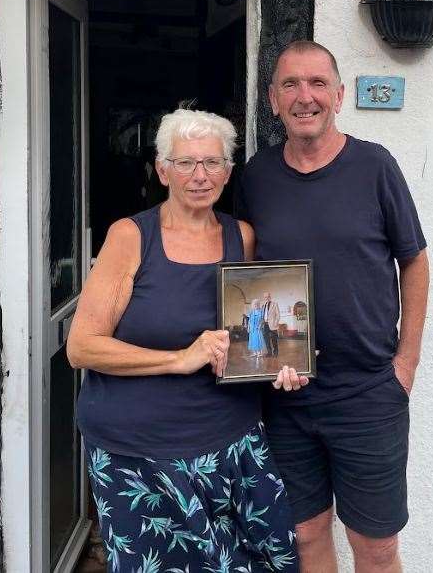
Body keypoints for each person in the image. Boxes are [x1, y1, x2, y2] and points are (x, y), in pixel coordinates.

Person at [68, 107, 307, 573]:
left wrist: (280, 362)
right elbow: (82, 347)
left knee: (261, 560)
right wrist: (180, 358)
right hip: (138, 455)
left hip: (232, 445)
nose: (200, 175)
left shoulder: (243, 237)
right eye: (185, 163)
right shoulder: (131, 237)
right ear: (162, 170)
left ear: (228, 171)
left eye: (212, 163)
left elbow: (255, 332)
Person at [237, 41, 430, 572]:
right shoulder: (256, 178)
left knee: (376, 546)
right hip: (287, 397)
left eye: (318, 83)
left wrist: (405, 363)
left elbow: (414, 262)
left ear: (339, 95)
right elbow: (250, 278)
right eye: (291, 85)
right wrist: (260, 360)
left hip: (368, 393)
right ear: (272, 99)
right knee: (304, 536)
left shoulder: (374, 166)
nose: (305, 96)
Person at [247, 298, 266, 363]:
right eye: (254, 304)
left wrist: (260, 326)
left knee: (258, 340)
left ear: (258, 304)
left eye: (256, 304)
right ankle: (254, 352)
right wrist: (248, 327)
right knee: (252, 340)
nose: (255, 305)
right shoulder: (252, 311)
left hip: (257, 328)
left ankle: (260, 352)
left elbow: (262, 320)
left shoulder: (261, 311)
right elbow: (249, 320)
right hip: (252, 328)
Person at [262, 291, 280, 357]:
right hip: (265, 324)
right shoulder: (263, 305)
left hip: (273, 325)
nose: (266, 298)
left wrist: (275, 323)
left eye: (268, 296)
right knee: (266, 339)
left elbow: (278, 315)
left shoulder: (275, 304)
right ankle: (269, 352)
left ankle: (275, 352)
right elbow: (263, 315)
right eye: (265, 297)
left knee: (274, 339)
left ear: (270, 297)